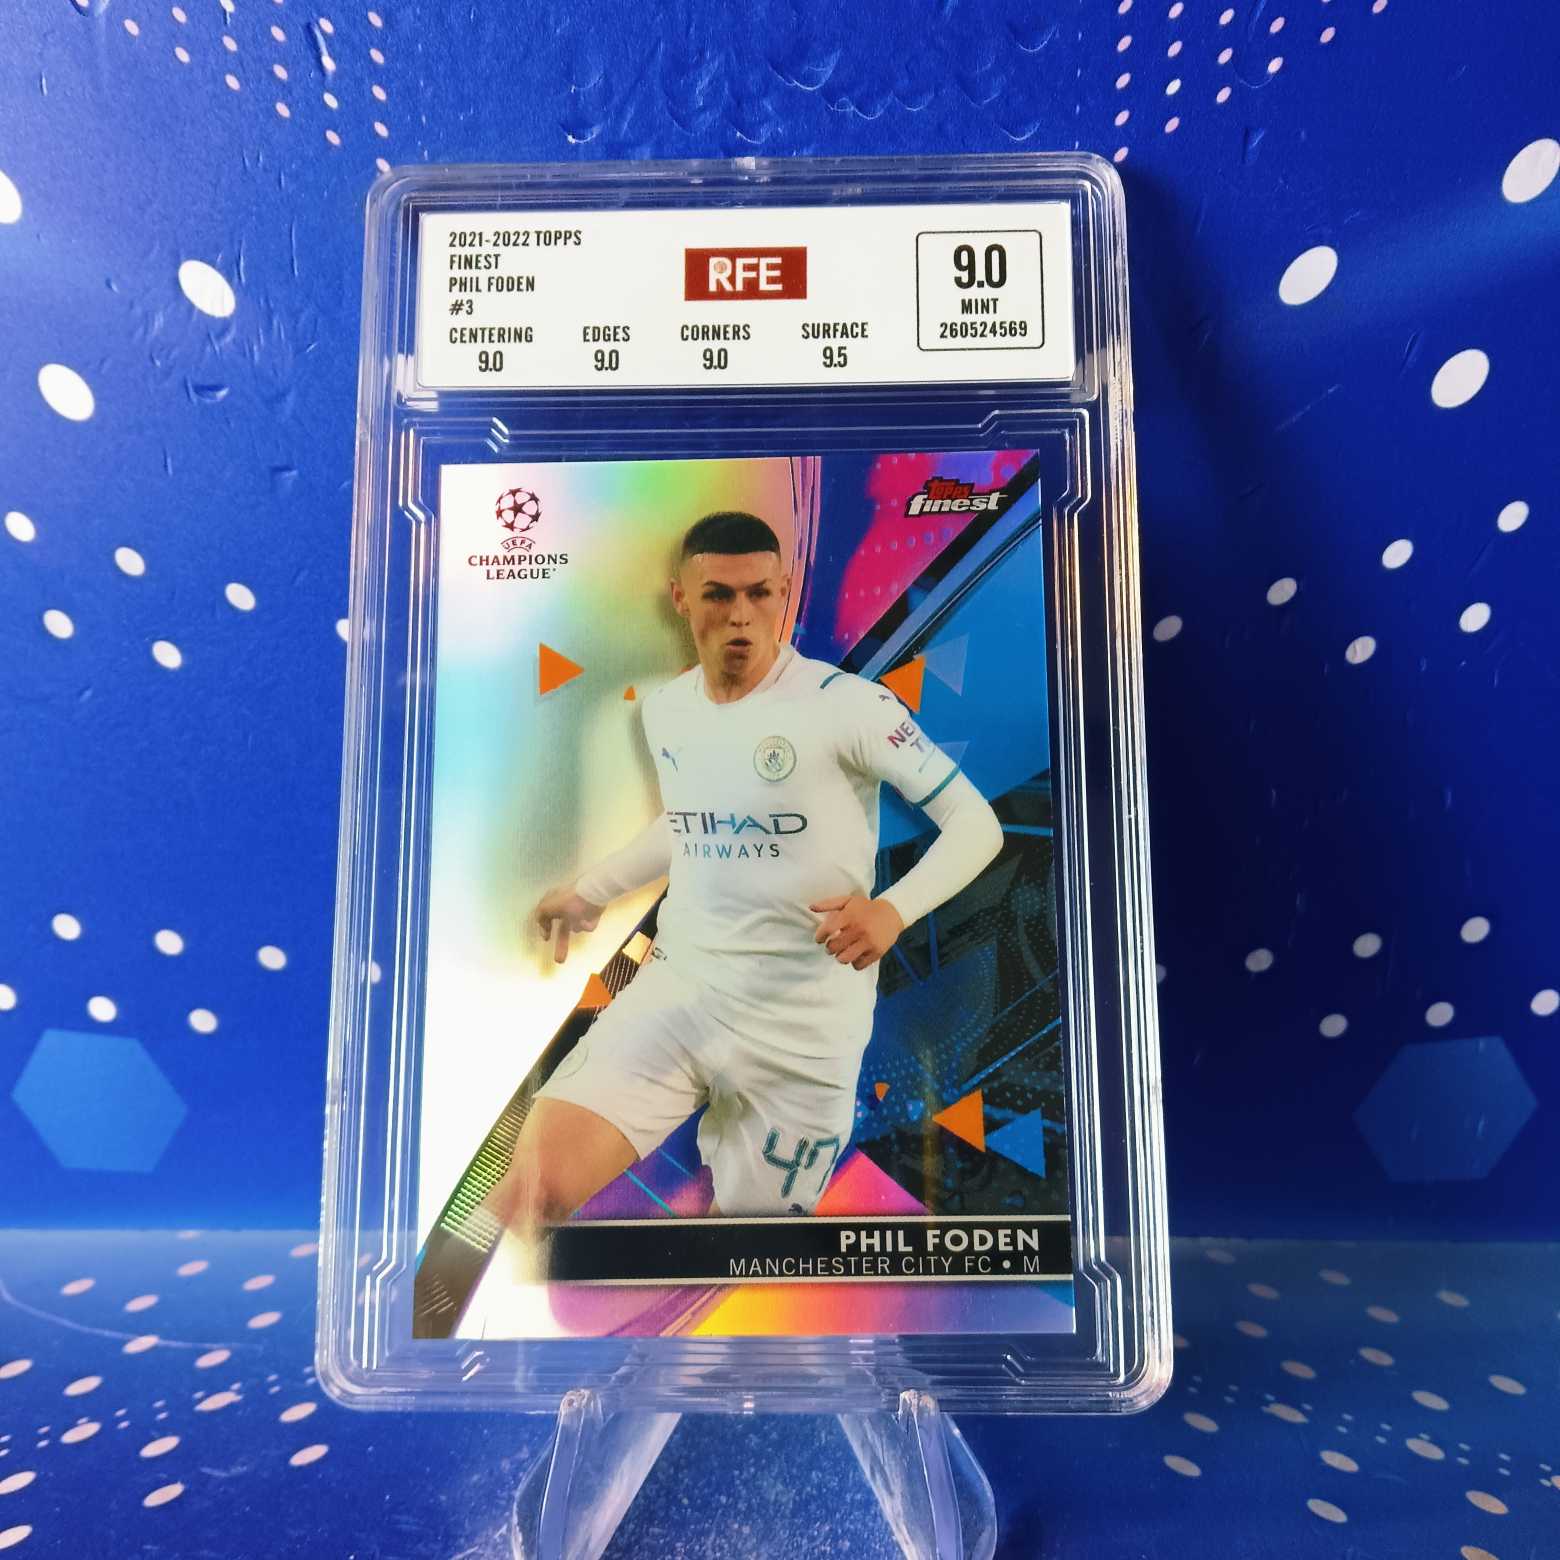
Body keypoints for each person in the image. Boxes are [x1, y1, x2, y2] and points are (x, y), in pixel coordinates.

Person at [490, 510, 1002, 1237]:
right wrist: (591, 893)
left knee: (742, 1247)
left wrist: (892, 911)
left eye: (760, 593)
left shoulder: (848, 706)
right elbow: (692, 822)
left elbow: (976, 824)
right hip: (680, 994)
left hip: (804, 1031)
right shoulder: (668, 709)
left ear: (784, 591)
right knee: (529, 1196)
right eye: (719, 595)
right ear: (681, 598)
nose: (741, 615)